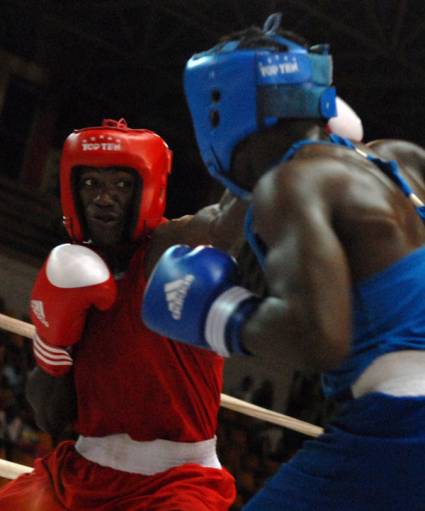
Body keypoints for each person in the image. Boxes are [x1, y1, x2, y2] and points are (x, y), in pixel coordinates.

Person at [142, 13, 425, 511]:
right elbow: (218, 222)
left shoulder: (290, 183)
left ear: (219, 108)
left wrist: (218, 314)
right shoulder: (399, 160)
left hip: (403, 421)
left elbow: (320, 336)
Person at [0, 118, 239, 510]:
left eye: (121, 185)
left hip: (176, 483)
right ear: (72, 191)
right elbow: (48, 419)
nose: (104, 198)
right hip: (80, 474)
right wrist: (51, 348)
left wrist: (287, 153)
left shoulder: (171, 248)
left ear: (146, 190)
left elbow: (227, 223)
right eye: (91, 183)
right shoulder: (71, 272)